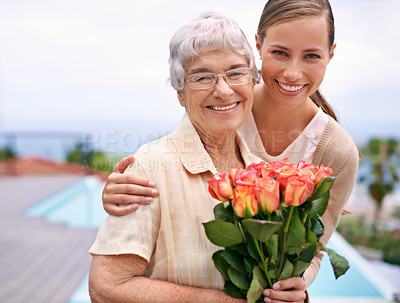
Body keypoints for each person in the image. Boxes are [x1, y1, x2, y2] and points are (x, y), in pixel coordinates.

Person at [101, 0, 359, 301]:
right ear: (259, 45)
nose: (292, 72)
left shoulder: (337, 150)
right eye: (280, 53)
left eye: (311, 55)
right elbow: (175, 166)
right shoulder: (230, 107)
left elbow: (312, 249)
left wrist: (293, 287)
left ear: (331, 53)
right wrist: (118, 189)